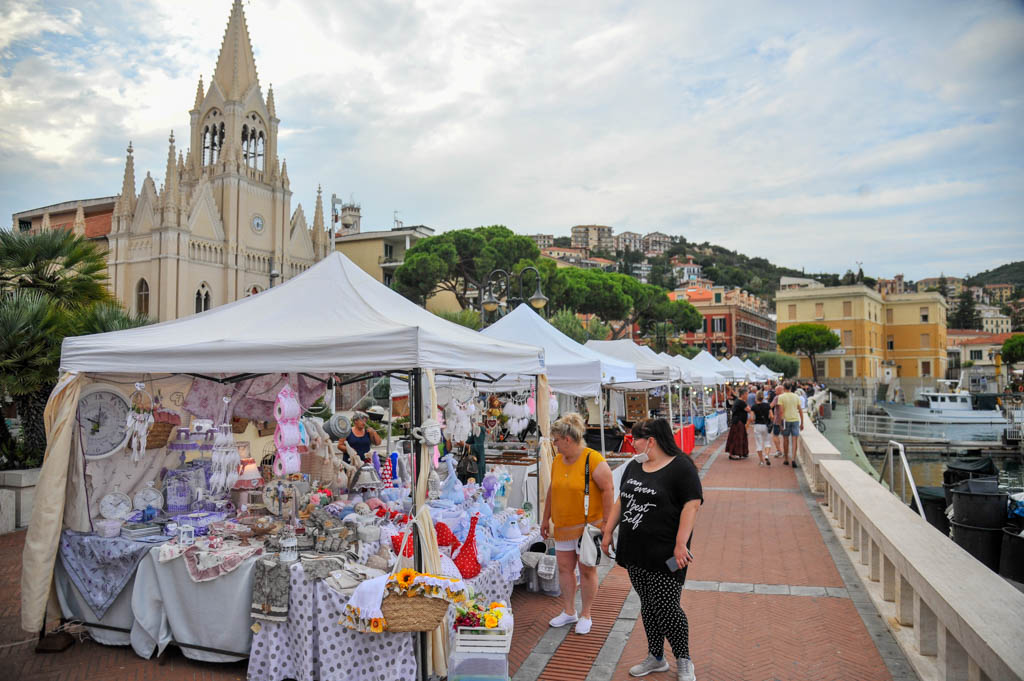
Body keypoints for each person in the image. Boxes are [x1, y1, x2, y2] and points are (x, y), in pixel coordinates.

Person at [602, 419, 702, 681]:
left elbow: (691, 505)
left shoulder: (682, 467)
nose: (632, 443)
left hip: (668, 554)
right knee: (648, 604)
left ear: (651, 441)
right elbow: (622, 499)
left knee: (667, 607)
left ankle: (684, 659)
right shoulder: (634, 466)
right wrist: (608, 530)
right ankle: (656, 657)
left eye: (635, 438)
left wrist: (681, 544)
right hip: (635, 551)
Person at [540, 413, 614, 635]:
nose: (554, 444)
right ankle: (569, 610)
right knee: (565, 568)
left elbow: (608, 489)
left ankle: (586, 614)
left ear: (567, 439)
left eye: (556, 440)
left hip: (587, 528)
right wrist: (545, 518)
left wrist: (607, 523)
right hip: (563, 526)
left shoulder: (593, 459)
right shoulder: (557, 461)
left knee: (587, 570)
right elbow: (552, 490)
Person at [777, 381, 804, 468]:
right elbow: (800, 410)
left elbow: (781, 412)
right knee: (794, 440)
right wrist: (802, 423)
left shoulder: (781, 397)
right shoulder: (796, 396)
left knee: (785, 439)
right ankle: (793, 459)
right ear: (791, 388)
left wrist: (780, 423)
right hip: (795, 420)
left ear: (784, 388)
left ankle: (786, 459)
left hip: (785, 420)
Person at [725, 387, 751, 460]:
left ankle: (742, 452)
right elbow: (749, 409)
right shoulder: (740, 402)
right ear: (743, 394)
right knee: (737, 438)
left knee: (741, 437)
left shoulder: (738, 401)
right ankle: (733, 454)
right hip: (738, 422)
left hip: (739, 422)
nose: (747, 396)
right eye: (747, 394)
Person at [751, 391, 772, 465]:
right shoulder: (767, 405)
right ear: (763, 398)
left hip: (757, 425)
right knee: (767, 441)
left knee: (758, 443)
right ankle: (767, 455)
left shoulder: (754, 406)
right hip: (766, 425)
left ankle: (761, 461)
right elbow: (771, 416)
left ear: (756, 397)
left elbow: (752, 418)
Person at [769, 383, 786, 458]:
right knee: (785, 436)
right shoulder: (787, 396)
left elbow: (770, 406)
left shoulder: (777, 397)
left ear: (779, 390)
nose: (775, 392)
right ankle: (786, 451)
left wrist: (771, 414)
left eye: (776, 390)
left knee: (775, 435)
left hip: (778, 419)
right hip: (786, 419)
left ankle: (779, 451)